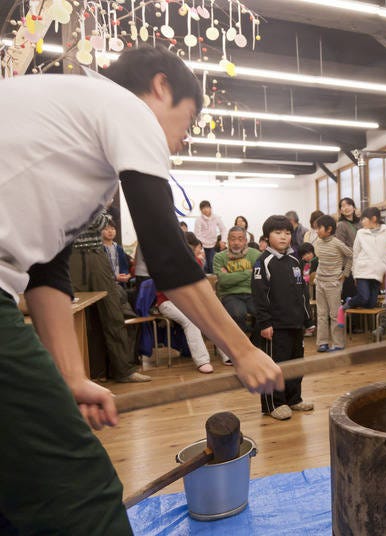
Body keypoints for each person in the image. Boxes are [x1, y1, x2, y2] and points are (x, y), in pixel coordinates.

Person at [0, 46, 282, 535]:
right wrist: (242, 350)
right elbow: (169, 257)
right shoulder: (123, 106)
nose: (179, 141)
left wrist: (71, 377)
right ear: (160, 87)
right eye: (188, 120)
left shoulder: (67, 123)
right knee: (79, 488)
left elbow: (47, 272)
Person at [71, 211, 148, 383]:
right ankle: (96, 372)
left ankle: (123, 370)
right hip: (71, 256)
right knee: (84, 318)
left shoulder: (92, 192)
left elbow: (98, 222)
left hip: (95, 254)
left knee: (112, 312)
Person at [252, 215, 315, 420]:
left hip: (295, 323)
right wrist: (265, 323)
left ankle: (294, 398)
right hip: (275, 326)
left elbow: (302, 293)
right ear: (267, 237)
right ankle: (273, 404)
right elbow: (260, 296)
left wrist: (307, 319)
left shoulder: (295, 261)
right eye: (278, 233)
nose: (283, 237)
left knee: (296, 364)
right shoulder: (264, 262)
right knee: (275, 366)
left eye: (287, 233)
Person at [156, 232, 213, 373]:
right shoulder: (166, 261)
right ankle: (202, 361)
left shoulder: (196, 262)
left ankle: (228, 355)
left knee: (214, 316)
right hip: (167, 302)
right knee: (191, 321)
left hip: (190, 302)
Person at [214, 226, 263, 364]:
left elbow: (258, 277)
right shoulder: (219, 257)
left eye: (240, 239)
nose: (236, 242)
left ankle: (253, 346)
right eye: (233, 239)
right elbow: (223, 281)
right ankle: (240, 350)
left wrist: (231, 275)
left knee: (264, 313)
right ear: (228, 241)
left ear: (245, 241)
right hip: (230, 295)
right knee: (237, 314)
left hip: (252, 293)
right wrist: (248, 272)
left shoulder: (255, 254)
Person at [339, 207, 386, 321]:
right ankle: (347, 303)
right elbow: (355, 254)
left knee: (370, 304)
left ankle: (351, 300)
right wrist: (354, 273)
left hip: (379, 272)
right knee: (363, 297)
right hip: (363, 270)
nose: (361, 222)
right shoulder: (360, 233)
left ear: (374, 219)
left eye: (364, 219)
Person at [313, 215, 352, 352]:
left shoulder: (337, 243)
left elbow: (351, 255)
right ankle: (322, 342)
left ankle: (338, 344)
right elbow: (318, 258)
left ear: (329, 229)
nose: (317, 230)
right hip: (319, 282)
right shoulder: (317, 242)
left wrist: (345, 273)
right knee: (321, 314)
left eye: (319, 228)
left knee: (335, 314)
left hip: (333, 284)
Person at [336, 197, 361, 301]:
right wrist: (357, 249)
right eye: (343, 206)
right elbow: (340, 245)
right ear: (340, 210)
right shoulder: (341, 225)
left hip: (361, 263)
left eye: (349, 205)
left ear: (354, 207)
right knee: (351, 294)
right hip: (348, 265)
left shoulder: (360, 223)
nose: (346, 208)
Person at [194, 200, 227, 273]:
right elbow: (197, 235)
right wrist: (200, 248)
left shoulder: (216, 217)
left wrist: (223, 241)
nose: (205, 210)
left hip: (213, 245)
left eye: (207, 207)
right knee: (204, 265)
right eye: (202, 208)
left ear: (210, 208)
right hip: (203, 246)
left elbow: (223, 229)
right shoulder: (198, 220)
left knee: (212, 264)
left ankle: (213, 281)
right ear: (200, 210)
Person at [101, 221, 132, 287]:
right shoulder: (99, 249)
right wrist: (115, 277)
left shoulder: (118, 248)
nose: (110, 231)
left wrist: (126, 275)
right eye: (106, 229)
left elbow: (124, 265)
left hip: (119, 284)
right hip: (106, 283)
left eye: (112, 229)